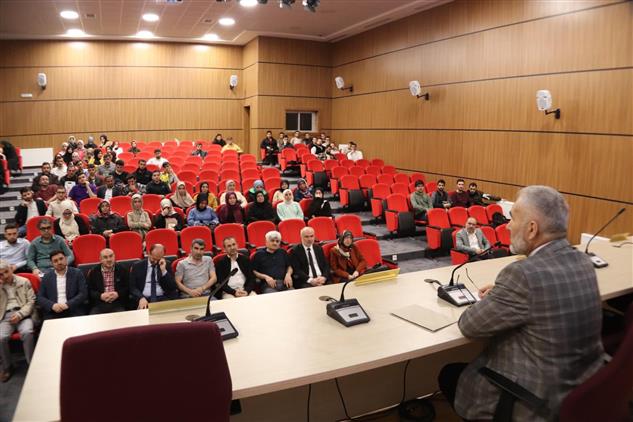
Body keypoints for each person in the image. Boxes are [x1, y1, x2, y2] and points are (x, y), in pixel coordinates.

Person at [439, 186, 605, 421]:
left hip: (535, 403)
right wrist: (505, 293)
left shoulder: (522, 275)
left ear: (531, 229)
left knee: (449, 374)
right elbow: (547, 291)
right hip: (580, 391)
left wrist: (504, 293)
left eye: (513, 217)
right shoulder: (582, 260)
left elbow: (469, 325)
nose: (506, 225)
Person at [0, 260, 37, 382]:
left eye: (6, 272)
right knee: (1, 337)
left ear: (11, 269)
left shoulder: (24, 281)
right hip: (4, 316)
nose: (5, 276)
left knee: (27, 332)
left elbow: (31, 301)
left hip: (23, 313)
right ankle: (7, 367)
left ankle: (31, 364)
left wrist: (20, 314)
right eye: (1, 274)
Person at [37, 250, 87, 320]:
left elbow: (83, 293)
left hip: (73, 310)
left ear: (66, 259)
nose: (59, 262)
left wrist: (67, 305)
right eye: (55, 261)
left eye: (61, 259)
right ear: (52, 263)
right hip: (53, 312)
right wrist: (52, 305)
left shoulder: (77, 273)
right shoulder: (47, 277)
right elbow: (40, 297)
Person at [130, 244, 178, 309]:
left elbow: (172, 287)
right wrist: (141, 298)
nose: (155, 262)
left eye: (158, 259)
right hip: (144, 299)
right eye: (153, 259)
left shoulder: (166, 264)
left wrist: (163, 270)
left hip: (162, 298)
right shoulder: (137, 266)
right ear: (149, 253)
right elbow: (132, 287)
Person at [86, 248, 129, 314]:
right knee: (94, 319)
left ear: (114, 257)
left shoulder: (122, 269)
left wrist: (118, 294)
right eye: (105, 257)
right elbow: (90, 290)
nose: (109, 259)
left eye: (111, 256)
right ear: (100, 259)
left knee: (121, 319)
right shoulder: (93, 271)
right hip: (99, 303)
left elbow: (128, 287)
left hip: (118, 302)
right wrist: (100, 296)